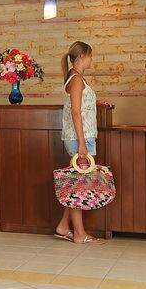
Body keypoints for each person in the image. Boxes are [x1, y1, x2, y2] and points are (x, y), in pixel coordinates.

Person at [55, 41, 102, 244]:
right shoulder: (76, 80)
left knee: (78, 182)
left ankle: (63, 226)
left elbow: (81, 107)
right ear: (82, 56)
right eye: (90, 56)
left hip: (81, 137)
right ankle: (79, 234)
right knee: (79, 186)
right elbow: (75, 112)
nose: (92, 60)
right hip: (80, 139)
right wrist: (82, 144)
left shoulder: (76, 78)